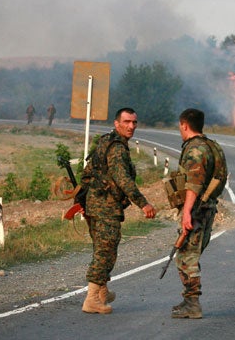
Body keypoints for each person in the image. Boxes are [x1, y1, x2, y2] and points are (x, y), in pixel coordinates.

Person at [80, 107, 157, 314]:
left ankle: (101, 292)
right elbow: (123, 180)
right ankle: (91, 300)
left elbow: (88, 171)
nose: (131, 126)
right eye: (126, 122)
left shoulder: (106, 141)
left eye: (134, 122)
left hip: (95, 204)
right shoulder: (117, 148)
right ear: (117, 124)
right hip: (105, 207)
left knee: (103, 248)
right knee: (105, 251)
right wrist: (143, 203)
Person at [171, 108, 226, 319]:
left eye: (180, 126)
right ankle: (189, 300)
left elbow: (193, 185)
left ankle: (192, 303)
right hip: (207, 207)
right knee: (189, 255)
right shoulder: (211, 146)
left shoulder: (195, 150)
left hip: (196, 210)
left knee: (187, 257)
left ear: (184, 125)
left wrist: (186, 212)